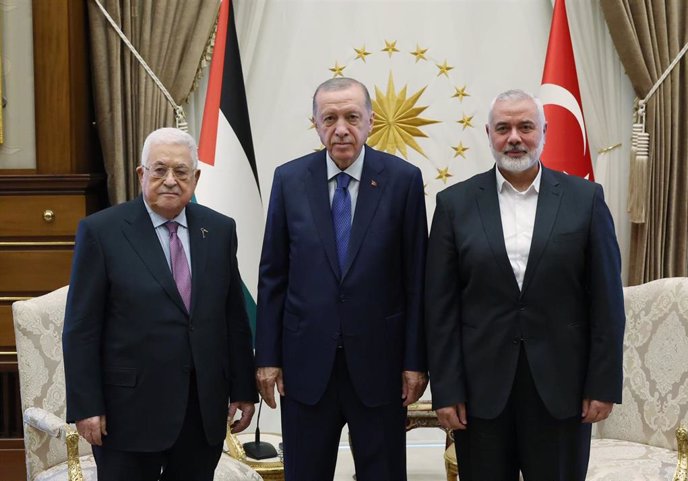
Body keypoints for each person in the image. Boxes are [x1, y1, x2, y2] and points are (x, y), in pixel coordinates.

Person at [425, 89, 625, 481]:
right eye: (503, 128)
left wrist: (603, 383)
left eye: (525, 127)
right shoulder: (454, 204)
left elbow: (606, 301)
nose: (514, 137)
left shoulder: (585, 199)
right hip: (480, 396)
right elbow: (440, 308)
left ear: (544, 132)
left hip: (562, 391)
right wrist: (446, 390)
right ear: (488, 134)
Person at [255, 77, 428, 481]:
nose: (341, 128)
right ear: (315, 124)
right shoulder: (289, 179)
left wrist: (416, 361)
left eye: (352, 117)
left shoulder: (403, 180)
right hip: (306, 366)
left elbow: (417, 279)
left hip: (381, 367)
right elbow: (273, 275)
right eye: (329, 118)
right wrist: (267, 357)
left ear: (370, 121)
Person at [62, 127, 257, 481]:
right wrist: (86, 405)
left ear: (195, 177)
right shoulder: (102, 231)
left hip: (201, 412)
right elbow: (81, 328)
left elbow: (233, 318)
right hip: (126, 414)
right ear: (142, 174)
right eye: (159, 170)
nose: (170, 180)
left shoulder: (219, 229)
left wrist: (243, 389)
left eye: (181, 172)